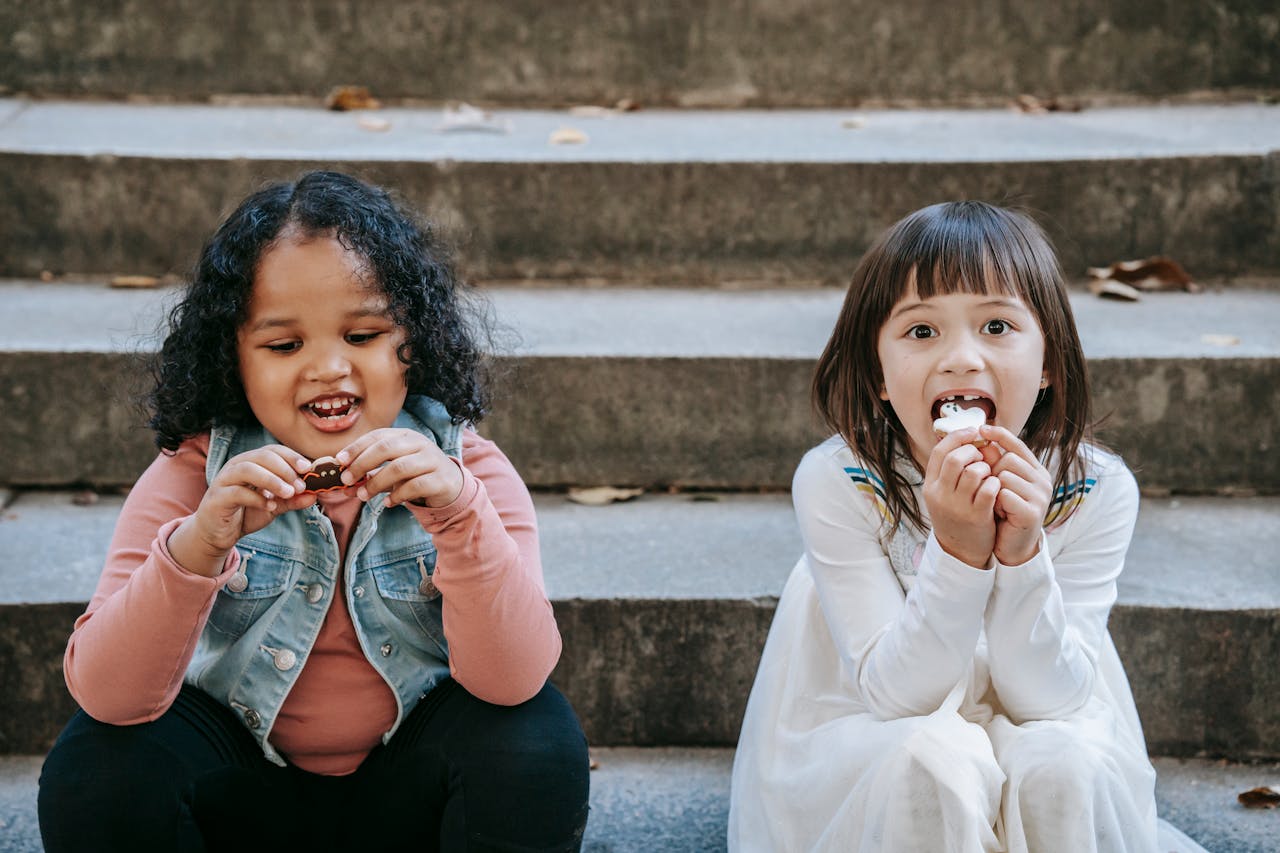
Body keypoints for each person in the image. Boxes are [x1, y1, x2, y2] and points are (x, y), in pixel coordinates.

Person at [38, 171, 590, 852]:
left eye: (362, 335)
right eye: (284, 345)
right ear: (232, 358)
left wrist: (460, 518)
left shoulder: (465, 469)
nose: (329, 366)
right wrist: (199, 546)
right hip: (245, 795)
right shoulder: (193, 471)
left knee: (535, 739)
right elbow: (106, 694)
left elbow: (515, 680)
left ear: (412, 340)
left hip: (407, 796)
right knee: (97, 768)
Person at [728, 202, 1206, 852]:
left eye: (997, 325)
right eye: (921, 331)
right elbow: (897, 697)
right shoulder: (838, 481)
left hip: (1041, 695)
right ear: (879, 378)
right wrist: (956, 552)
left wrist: (1020, 551)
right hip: (879, 711)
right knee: (927, 761)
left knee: (1065, 764)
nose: (961, 357)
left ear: (1048, 366)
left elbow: (1049, 700)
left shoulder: (1095, 490)